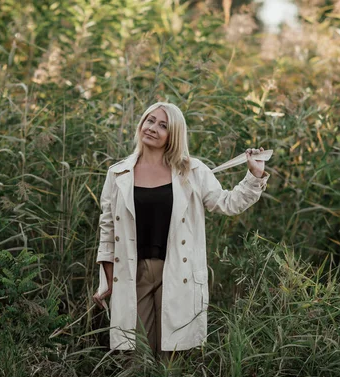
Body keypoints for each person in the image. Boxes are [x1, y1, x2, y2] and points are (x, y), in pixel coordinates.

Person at [92, 102, 270, 359]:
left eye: (162, 125)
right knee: (135, 357)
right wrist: (107, 280)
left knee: (171, 359)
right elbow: (107, 228)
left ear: (173, 134)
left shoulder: (192, 171)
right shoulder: (118, 173)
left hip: (177, 270)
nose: (152, 128)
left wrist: (254, 176)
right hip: (132, 272)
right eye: (149, 120)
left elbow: (227, 203)